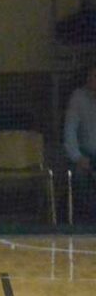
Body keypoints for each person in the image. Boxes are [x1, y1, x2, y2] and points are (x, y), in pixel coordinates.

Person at [64, 64, 96, 218]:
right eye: (92, 76)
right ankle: (87, 223)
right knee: (79, 176)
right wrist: (77, 157)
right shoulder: (78, 98)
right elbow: (69, 132)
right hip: (87, 155)